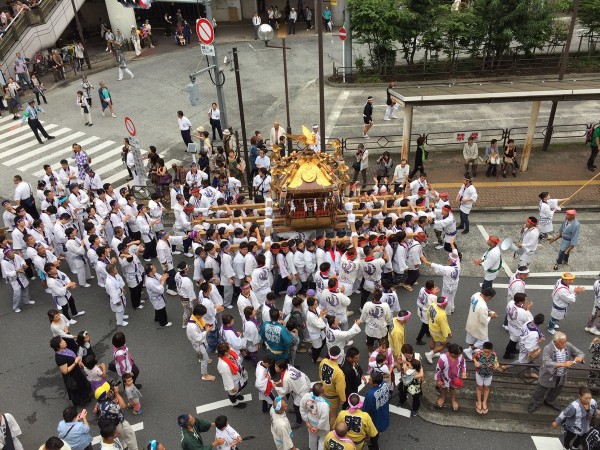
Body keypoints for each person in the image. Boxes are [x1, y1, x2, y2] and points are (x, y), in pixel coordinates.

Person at [528, 331, 585, 413]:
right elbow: (547, 362)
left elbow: (580, 353)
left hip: (562, 374)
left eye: (565, 341)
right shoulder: (548, 348)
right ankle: (535, 403)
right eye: (562, 343)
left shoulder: (568, 345)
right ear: (555, 342)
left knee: (557, 390)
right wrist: (563, 364)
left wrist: (579, 357)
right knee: (541, 390)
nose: (565, 344)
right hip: (548, 374)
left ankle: (549, 401)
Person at [50, 336, 92, 406]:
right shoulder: (60, 358)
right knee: (78, 388)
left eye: (63, 340)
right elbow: (65, 371)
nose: (64, 341)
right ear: (58, 346)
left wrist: (78, 362)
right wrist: (75, 363)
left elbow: (74, 356)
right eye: (62, 341)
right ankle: (83, 400)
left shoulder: (65, 350)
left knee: (82, 384)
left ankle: (87, 395)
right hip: (72, 376)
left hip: (77, 371)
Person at [463, 287, 497, 361]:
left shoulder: (476, 294)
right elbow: (484, 321)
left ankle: (471, 350)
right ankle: (469, 350)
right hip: (478, 325)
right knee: (484, 341)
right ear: (489, 297)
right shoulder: (483, 307)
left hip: (471, 320)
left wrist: (488, 312)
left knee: (471, 337)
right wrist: (491, 316)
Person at [434, 342, 466, 411]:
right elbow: (438, 370)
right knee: (443, 388)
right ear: (452, 354)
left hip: (455, 378)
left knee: (453, 388)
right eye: (458, 355)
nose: (460, 355)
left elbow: (463, 365)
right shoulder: (443, 358)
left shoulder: (460, 356)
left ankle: (453, 400)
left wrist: (463, 372)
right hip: (444, 377)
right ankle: (442, 397)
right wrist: (438, 380)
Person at [320, 346, 346, 427]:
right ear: (338, 356)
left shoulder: (323, 361)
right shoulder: (338, 372)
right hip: (333, 397)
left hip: (323, 392)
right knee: (333, 416)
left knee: (325, 411)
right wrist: (343, 399)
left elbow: (320, 374)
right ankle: (331, 431)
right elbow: (340, 389)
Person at [217, 342, 248, 409]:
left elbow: (237, 361)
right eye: (228, 347)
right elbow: (226, 378)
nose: (230, 348)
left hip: (239, 374)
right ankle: (235, 403)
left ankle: (237, 394)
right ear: (225, 352)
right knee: (232, 393)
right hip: (234, 380)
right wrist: (232, 387)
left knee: (244, 383)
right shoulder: (223, 366)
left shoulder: (230, 353)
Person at [362, 372, 389, 450]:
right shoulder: (384, 384)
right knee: (377, 431)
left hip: (374, 417)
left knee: (372, 436)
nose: (369, 380)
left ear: (374, 383)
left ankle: (374, 448)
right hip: (383, 411)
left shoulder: (370, 395)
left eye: (370, 379)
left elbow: (366, 411)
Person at [2, 247, 33, 313]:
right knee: (17, 293)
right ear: (6, 255)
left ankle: (26, 301)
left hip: (21, 275)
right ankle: (16, 307)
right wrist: (16, 271)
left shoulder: (16, 256)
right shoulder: (4, 262)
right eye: (10, 253)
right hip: (14, 279)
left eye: (12, 252)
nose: (12, 253)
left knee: (25, 289)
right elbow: (7, 273)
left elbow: (22, 260)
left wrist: (23, 264)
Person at [299, 382, 330, 450]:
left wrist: (306, 422)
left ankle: (312, 448)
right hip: (320, 425)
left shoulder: (306, 396)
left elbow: (302, 408)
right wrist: (318, 428)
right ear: (321, 394)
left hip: (310, 422)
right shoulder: (324, 405)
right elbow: (324, 418)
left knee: (312, 436)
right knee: (323, 438)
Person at [473, 342, 499, 415]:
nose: (486, 353)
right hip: (479, 374)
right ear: (482, 349)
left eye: (488, 352)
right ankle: (479, 402)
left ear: (491, 350)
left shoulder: (494, 354)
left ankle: (484, 402)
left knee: (486, 388)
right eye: (485, 351)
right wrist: (475, 362)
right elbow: (474, 357)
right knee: (479, 387)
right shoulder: (478, 353)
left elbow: (496, 362)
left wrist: (497, 365)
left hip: (489, 374)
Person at [425, 296, 451, 364]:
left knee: (433, 339)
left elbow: (427, 313)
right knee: (443, 344)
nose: (447, 303)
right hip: (438, 331)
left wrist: (429, 322)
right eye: (446, 303)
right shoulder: (442, 314)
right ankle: (430, 354)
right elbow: (444, 326)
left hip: (431, 326)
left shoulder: (433, 305)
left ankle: (432, 353)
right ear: (443, 305)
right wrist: (448, 334)